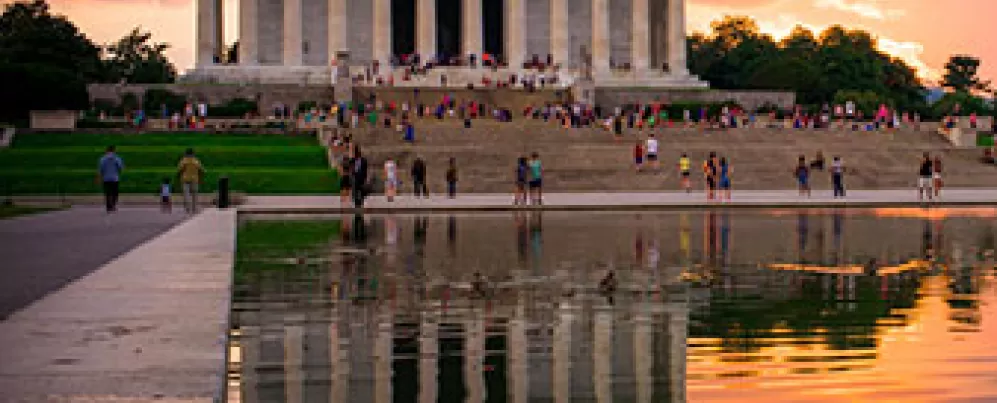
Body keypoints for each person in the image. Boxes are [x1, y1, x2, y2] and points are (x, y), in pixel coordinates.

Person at [176, 148, 205, 213]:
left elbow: (179, 170)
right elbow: (202, 170)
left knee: (186, 194)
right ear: (193, 154)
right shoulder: (196, 161)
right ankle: (194, 208)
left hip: (185, 179)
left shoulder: (183, 161)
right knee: (195, 194)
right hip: (194, 179)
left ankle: (187, 208)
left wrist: (178, 176)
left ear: (186, 154)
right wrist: (200, 176)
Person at [97, 146, 124, 213]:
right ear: (114, 151)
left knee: (107, 193)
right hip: (115, 178)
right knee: (115, 193)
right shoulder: (117, 158)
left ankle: (108, 207)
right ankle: (113, 205)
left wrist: (99, 177)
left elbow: (100, 170)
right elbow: (120, 167)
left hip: (106, 179)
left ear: (107, 151)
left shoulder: (102, 159)